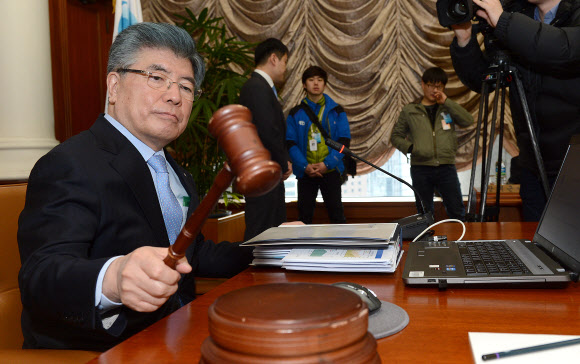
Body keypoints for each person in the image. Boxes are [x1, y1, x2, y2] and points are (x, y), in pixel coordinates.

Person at [17, 22, 253, 351]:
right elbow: (40, 278)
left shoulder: (176, 172)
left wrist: (269, 249)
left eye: (186, 87)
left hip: (177, 336)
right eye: (156, 78)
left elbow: (191, 254)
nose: (174, 96)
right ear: (114, 86)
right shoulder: (71, 163)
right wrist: (113, 278)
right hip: (100, 349)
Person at [449, 0, 580, 221]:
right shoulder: (517, 15)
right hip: (532, 168)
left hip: (573, 167)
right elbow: (484, 80)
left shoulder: (516, 20)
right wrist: (464, 40)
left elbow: (562, 48)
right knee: (534, 249)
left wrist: (503, 20)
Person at [391, 67, 474, 220]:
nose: (434, 90)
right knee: (424, 214)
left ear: (443, 87)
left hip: (446, 166)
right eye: (431, 85)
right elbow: (396, 136)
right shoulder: (410, 110)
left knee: (457, 210)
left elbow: (468, 121)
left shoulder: (447, 108)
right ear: (423, 84)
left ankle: (459, 242)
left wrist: (447, 102)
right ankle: (425, 243)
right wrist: (411, 148)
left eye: (439, 86)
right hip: (420, 168)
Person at [240, 38, 292, 240]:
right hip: (262, 173)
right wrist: (283, 162)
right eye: (285, 61)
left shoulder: (262, 87)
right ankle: (253, 272)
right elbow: (267, 131)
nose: (285, 68)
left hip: (268, 174)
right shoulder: (256, 87)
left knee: (272, 231)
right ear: (273, 59)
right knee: (261, 232)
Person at [286, 66, 351, 224]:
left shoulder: (337, 111)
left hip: (331, 170)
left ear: (325, 84)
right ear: (304, 84)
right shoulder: (295, 113)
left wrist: (327, 164)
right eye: (311, 80)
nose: (316, 83)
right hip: (306, 172)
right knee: (304, 217)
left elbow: (344, 141)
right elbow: (290, 142)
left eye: (320, 80)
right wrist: (304, 166)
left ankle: (341, 249)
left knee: (337, 216)